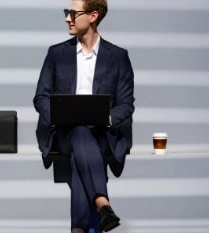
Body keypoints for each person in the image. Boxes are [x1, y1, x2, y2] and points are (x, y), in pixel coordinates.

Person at [33, 0, 135, 232]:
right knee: (79, 132)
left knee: (83, 146)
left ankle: (79, 228)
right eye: (66, 13)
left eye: (72, 13)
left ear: (93, 16)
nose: (67, 18)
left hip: (101, 133)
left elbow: (126, 104)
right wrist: (59, 116)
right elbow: (41, 98)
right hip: (65, 133)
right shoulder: (57, 54)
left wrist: (105, 118)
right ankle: (102, 203)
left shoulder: (118, 57)